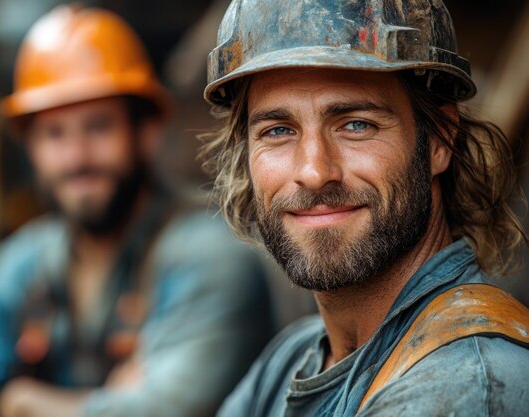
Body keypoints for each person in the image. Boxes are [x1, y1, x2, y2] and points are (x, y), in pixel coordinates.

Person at [0, 5, 275, 417]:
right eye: (54, 134)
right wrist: (112, 402)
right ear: (30, 147)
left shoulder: (209, 254)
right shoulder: (23, 263)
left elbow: (170, 410)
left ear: (146, 132)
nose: (76, 156)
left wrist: (24, 402)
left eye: (99, 126)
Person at [199, 0, 529, 416]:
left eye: (356, 124)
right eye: (278, 130)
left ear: (439, 141)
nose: (315, 171)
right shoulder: (290, 359)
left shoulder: (466, 384)